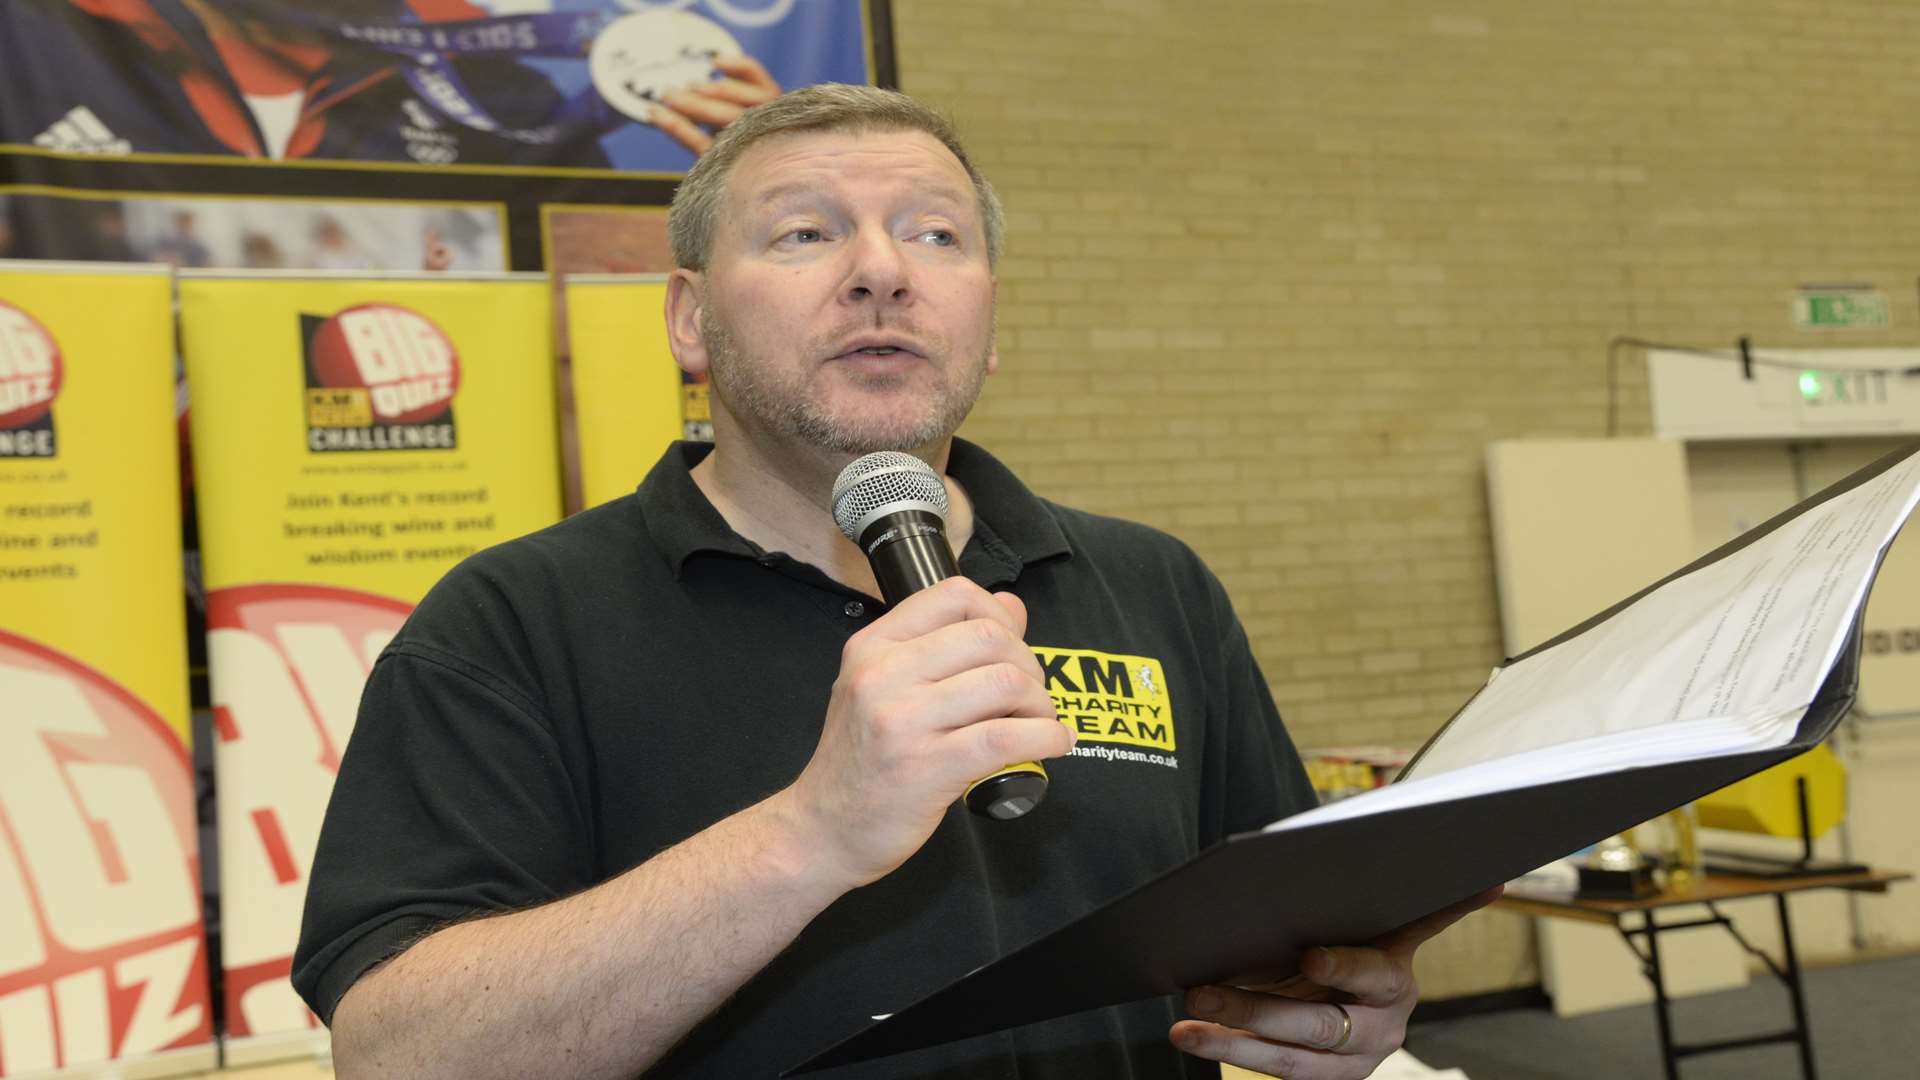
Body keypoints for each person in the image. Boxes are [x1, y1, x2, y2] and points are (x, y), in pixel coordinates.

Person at [293, 84, 1496, 1079]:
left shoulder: (1151, 583)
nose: (883, 273)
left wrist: (1339, 1009)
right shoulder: (514, 622)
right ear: (688, 321)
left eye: (935, 233)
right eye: (806, 233)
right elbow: (400, 1057)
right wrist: (813, 831)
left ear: (987, 312)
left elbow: (1279, 939)